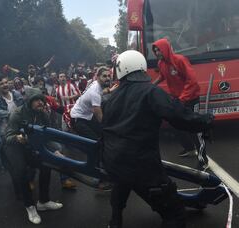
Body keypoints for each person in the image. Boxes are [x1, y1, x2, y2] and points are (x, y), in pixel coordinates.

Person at [102, 50, 214, 228]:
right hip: (142, 165)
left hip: (113, 160)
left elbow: (105, 129)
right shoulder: (150, 92)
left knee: (121, 182)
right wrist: (206, 120)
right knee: (175, 214)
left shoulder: (109, 98)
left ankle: (114, 222)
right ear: (142, 67)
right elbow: (178, 116)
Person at [5, 87, 63, 225]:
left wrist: (55, 151)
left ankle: (43, 201)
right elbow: (8, 137)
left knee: (46, 165)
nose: (40, 102)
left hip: (32, 146)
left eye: (41, 99)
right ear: (28, 101)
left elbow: (47, 136)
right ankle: (30, 207)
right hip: (15, 147)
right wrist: (17, 137)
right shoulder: (17, 114)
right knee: (22, 173)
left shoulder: (43, 114)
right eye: (36, 100)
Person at [152, 38, 201, 158]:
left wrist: (182, 98)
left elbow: (192, 81)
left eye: (159, 50)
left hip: (191, 98)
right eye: (155, 50)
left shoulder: (180, 60)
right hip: (177, 99)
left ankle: (202, 155)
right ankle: (190, 149)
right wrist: (151, 85)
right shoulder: (161, 63)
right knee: (176, 124)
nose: (157, 52)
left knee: (193, 127)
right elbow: (163, 75)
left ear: (166, 49)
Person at [70, 66, 112, 140]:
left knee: (102, 133)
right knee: (95, 141)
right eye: (104, 76)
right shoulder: (95, 93)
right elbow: (99, 116)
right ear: (98, 77)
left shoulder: (95, 83)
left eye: (109, 76)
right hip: (78, 119)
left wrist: (109, 90)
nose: (108, 78)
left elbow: (100, 92)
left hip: (86, 116)